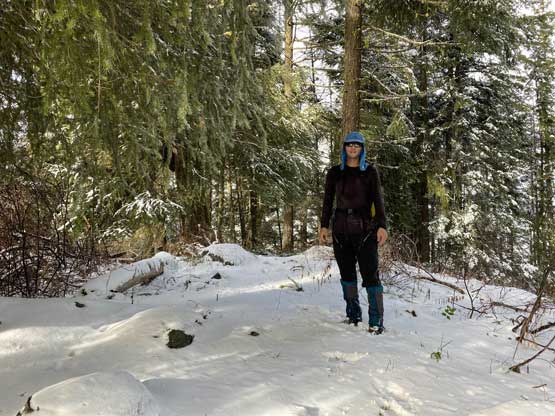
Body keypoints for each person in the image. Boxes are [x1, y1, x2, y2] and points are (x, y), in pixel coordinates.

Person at [319, 131, 388, 334]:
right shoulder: (335, 173)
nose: (353, 148)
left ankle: (376, 321)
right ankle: (353, 314)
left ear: (362, 149)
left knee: (370, 275)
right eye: (349, 145)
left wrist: (382, 225)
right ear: (344, 148)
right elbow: (327, 201)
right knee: (347, 274)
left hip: (365, 230)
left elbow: (378, 200)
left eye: (357, 145)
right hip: (341, 230)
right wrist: (324, 225)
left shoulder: (370, 172)